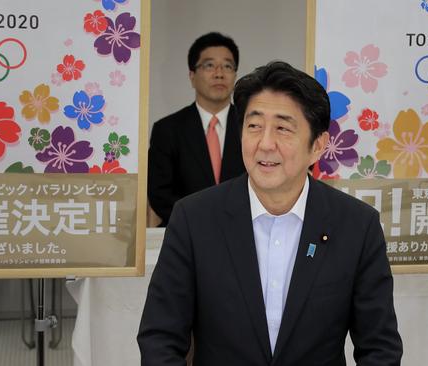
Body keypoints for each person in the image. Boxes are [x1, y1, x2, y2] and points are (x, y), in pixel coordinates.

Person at [138, 61, 402, 365]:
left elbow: (380, 349)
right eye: (254, 126)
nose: (265, 144)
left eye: (282, 128)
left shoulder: (357, 226)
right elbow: (160, 338)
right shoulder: (194, 218)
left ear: (317, 146)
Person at [148, 32, 246, 227]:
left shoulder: (252, 127)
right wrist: (200, 222)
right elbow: (159, 194)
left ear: (235, 75)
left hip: (243, 229)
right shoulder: (167, 129)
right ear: (192, 76)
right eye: (209, 65)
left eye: (227, 66)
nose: (219, 73)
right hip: (185, 231)